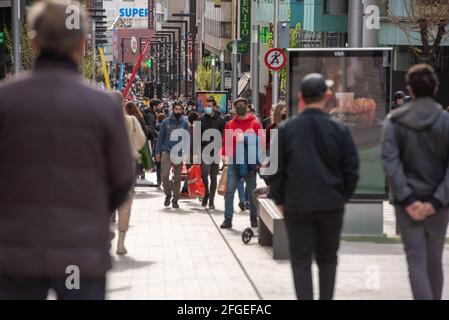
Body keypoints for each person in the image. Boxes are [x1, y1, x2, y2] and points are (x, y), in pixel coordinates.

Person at [0, 0, 134, 300]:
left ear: (32, 42)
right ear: (84, 44)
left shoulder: (6, 101)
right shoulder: (103, 106)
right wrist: (94, 211)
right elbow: (123, 177)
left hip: (14, 254)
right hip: (80, 252)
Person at [268, 73, 359, 300]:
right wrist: (341, 196)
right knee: (328, 258)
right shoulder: (339, 130)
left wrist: (279, 200)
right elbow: (351, 170)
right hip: (331, 204)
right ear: (326, 97)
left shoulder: (286, 130)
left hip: (296, 204)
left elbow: (275, 170)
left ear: (301, 98)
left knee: (300, 259)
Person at [382, 64, 449, 300]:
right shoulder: (445, 121)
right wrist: (436, 200)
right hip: (440, 205)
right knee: (435, 259)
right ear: (436, 87)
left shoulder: (394, 121)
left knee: (415, 259)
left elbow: (391, 163)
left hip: (406, 204)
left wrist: (409, 198)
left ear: (409, 89)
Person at [221, 98, 264, 229]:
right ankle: (228, 219)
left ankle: (253, 218)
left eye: (243, 104)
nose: (240, 106)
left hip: (250, 162)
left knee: (252, 192)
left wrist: (259, 160)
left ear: (247, 106)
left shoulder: (255, 123)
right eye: (237, 105)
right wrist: (224, 156)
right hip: (234, 161)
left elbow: (261, 142)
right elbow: (226, 142)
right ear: (234, 108)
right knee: (229, 192)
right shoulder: (229, 124)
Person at [117, 97, 147, 255]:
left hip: (105, 163)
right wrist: (133, 149)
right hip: (127, 162)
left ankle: (106, 234)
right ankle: (121, 241)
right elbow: (142, 139)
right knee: (125, 202)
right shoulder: (131, 120)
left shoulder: (99, 118)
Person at [155, 102, 190, 209]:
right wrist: (157, 152)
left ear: (182, 110)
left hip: (178, 153)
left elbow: (186, 139)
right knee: (164, 175)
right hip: (166, 151)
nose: (178, 111)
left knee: (177, 177)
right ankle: (168, 194)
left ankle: (175, 199)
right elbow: (160, 138)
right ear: (173, 109)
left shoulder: (184, 123)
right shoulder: (165, 122)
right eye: (176, 109)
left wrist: (186, 153)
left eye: (180, 109)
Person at [200, 97, 226, 209]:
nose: (207, 108)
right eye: (206, 106)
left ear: (215, 107)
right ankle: (206, 192)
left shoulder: (221, 120)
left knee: (214, 176)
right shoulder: (201, 119)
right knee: (204, 174)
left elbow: (223, 136)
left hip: (215, 151)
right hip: (204, 150)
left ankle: (211, 199)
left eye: (210, 106)